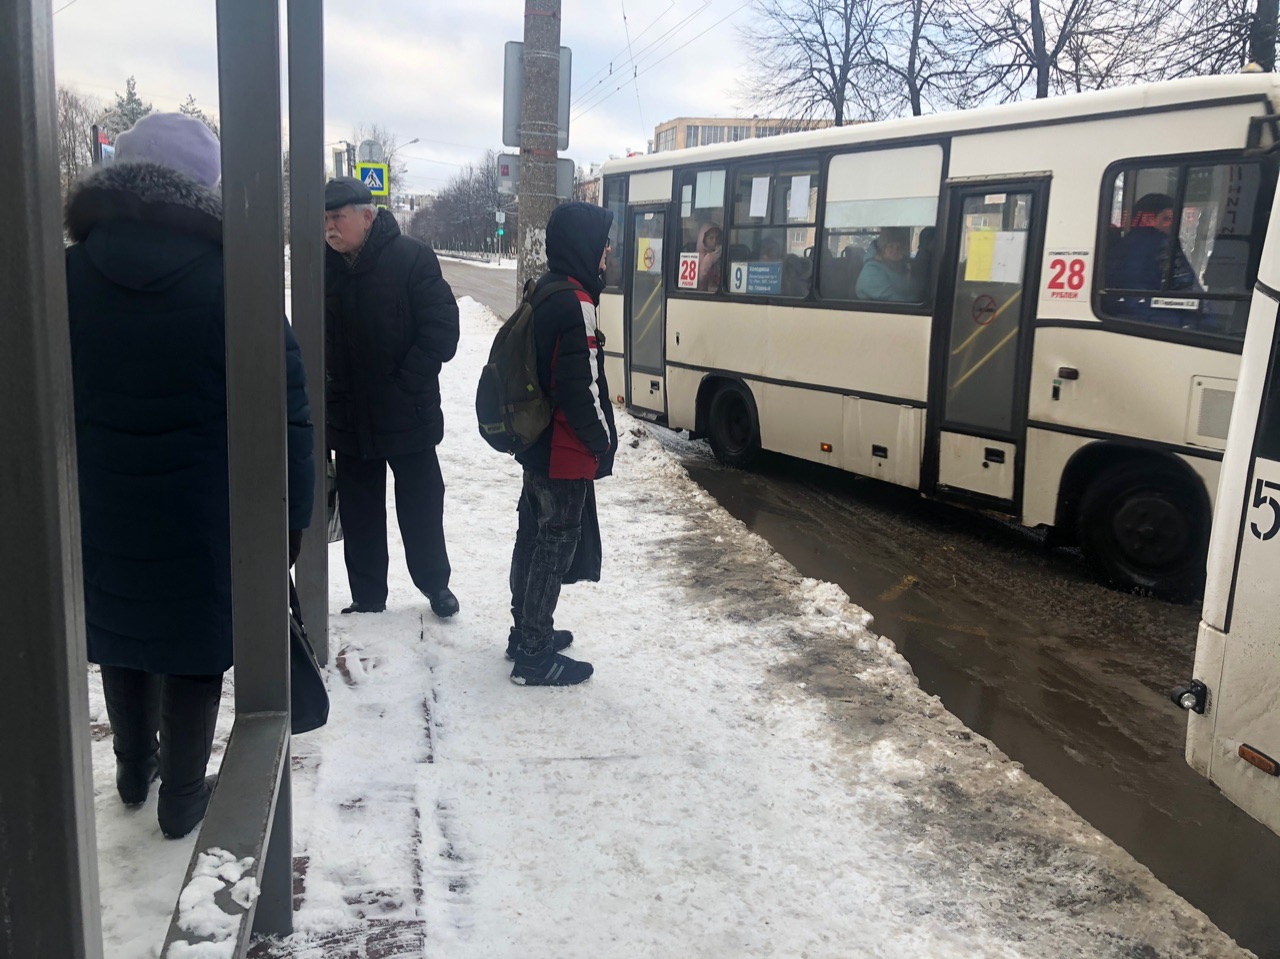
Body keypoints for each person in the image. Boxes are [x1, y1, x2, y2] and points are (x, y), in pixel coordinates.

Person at [64, 113, 315, 839]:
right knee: (195, 642)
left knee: (122, 629)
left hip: (102, 504)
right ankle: (182, 796)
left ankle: (132, 771)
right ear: (205, 187)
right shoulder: (230, 278)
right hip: (202, 511)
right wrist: (292, 518)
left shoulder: (69, 272)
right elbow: (287, 407)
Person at [323, 177, 461, 618]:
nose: (329, 227)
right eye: (324, 218)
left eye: (337, 217)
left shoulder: (411, 258)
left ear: (367, 216)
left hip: (407, 411)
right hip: (348, 413)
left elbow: (442, 329)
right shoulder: (320, 266)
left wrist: (407, 380)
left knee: (421, 505)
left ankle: (435, 586)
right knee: (359, 509)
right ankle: (367, 596)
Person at [508, 201, 619, 686]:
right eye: (602, 243)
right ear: (584, 245)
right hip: (563, 450)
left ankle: (525, 632)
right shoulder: (575, 301)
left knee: (533, 537)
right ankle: (534, 653)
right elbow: (583, 388)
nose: (607, 252)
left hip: (538, 443)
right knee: (553, 544)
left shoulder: (546, 288)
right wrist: (604, 442)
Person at [1104, 192, 1202, 325]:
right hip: (1162, 322)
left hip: (1122, 319)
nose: (1171, 225)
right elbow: (1188, 290)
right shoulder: (1164, 246)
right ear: (1147, 219)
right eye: (1166, 219)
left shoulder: (1120, 245)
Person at [855, 227, 913, 301]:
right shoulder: (872, 270)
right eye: (890, 246)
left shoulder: (899, 266)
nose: (895, 250)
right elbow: (895, 301)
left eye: (898, 247)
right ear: (882, 249)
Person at [696, 222, 722, 292]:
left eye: (717, 237)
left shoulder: (719, 256)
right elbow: (697, 281)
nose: (714, 241)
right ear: (703, 239)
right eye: (711, 238)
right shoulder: (696, 257)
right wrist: (708, 261)